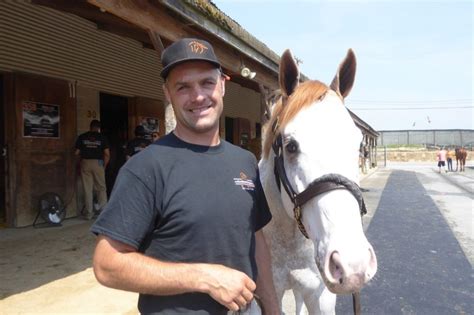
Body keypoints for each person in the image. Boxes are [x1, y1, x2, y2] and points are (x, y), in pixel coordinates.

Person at [91, 38, 280, 314]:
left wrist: (273, 309)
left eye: (207, 82)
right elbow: (106, 265)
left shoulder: (245, 161)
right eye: (183, 87)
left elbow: (256, 240)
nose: (198, 96)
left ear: (223, 85)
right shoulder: (146, 167)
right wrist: (205, 278)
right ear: (167, 93)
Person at [75, 119, 110, 220]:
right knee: (101, 188)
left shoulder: (82, 137)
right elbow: (107, 154)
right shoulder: (102, 137)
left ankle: (89, 213)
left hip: (85, 162)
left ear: (90, 127)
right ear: (98, 128)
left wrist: (79, 164)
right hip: (98, 163)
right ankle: (103, 213)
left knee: (87, 189)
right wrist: (104, 166)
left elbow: (77, 153)